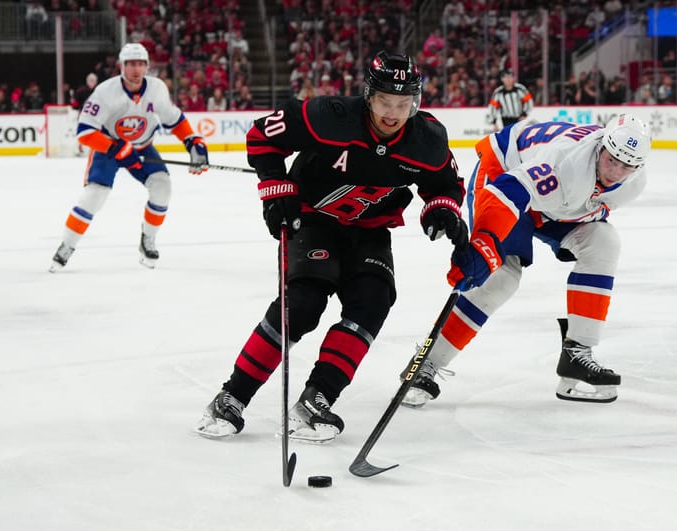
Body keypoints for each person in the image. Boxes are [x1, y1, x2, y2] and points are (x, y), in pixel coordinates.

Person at [195, 51, 467, 443]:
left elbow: (444, 184)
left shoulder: (427, 139)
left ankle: (315, 400)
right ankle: (231, 397)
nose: (393, 114)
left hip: (370, 229)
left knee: (373, 300)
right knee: (303, 304)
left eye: (403, 104)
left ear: (416, 102)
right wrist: (276, 190)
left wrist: (442, 210)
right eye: (385, 102)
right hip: (313, 219)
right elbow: (261, 136)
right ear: (369, 96)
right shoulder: (330, 115)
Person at [400, 114, 651, 408]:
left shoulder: (633, 183)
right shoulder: (565, 164)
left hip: (554, 202)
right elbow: (510, 191)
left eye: (627, 166)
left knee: (603, 242)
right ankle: (425, 363)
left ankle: (577, 353)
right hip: (504, 176)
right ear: (600, 148)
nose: (616, 172)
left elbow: (583, 202)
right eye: (612, 161)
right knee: (501, 278)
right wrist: (485, 245)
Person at [48, 43, 209, 272]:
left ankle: (148, 240)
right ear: (122, 66)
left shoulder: (157, 88)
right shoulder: (105, 91)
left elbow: (175, 119)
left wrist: (192, 141)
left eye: (140, 64)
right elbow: (84, 132)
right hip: (108, 148)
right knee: (95, 195)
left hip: (142, 147)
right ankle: (67, 245)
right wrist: (114, 147)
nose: (136, 69)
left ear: (147, 66)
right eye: (131, 64)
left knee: (162, 186)